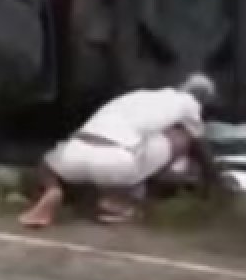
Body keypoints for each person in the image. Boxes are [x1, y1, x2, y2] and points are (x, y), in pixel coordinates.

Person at [18, 74, 217, 229]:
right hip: (116, 163)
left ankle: (53, 189)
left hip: (74, 156)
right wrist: (214, 180)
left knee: (47, 164)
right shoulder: (189, 103)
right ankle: (119, 200)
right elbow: (201, 146)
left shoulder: (136, 96)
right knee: (182, 138)